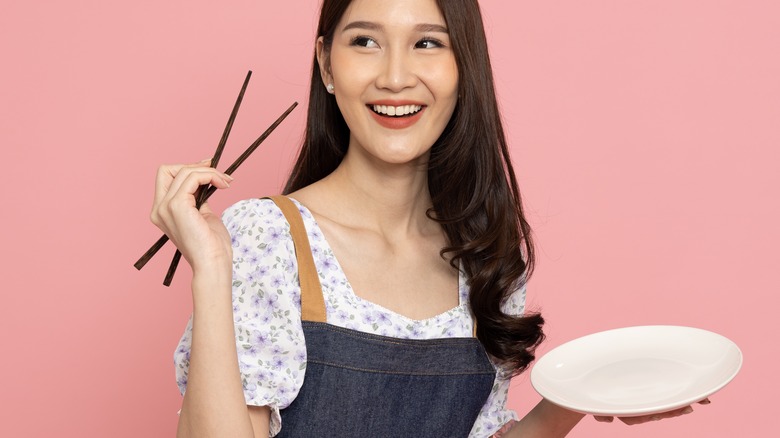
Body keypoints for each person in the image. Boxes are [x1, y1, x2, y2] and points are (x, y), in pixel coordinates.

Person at [151, 0, 704, 436]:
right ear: (325, 64)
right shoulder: (265, 238)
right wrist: (213, 267)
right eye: (365, 41)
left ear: (464, 64)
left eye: (427, 43)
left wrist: (570, 404)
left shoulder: (485, 256)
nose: (395, 77)